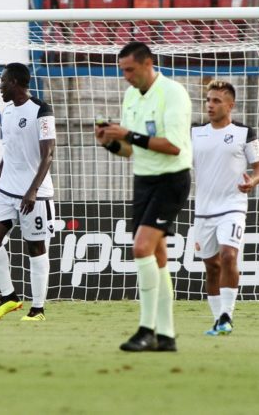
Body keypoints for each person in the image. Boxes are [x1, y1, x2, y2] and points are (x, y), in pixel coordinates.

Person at [95, 42, 192, 352]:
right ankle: (166, 336)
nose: (126, 76)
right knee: (158, 256)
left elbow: (173, 146)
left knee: (140, 248)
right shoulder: (130, 96)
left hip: (171, 180)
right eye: (122, 70)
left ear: (148, 63)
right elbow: (130, 151)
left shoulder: (173, 93)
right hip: (143, 181)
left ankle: (146, 330)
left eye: (130, 70)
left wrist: (127, 134)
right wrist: (110, 142)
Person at [0, 62, 56, 321]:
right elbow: (11, 151)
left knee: (35, 248)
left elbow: (48, 154)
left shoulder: (42, 110)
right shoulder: (8, 111)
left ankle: (38, 309)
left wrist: (32, 190)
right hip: (6, 190)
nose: (0, 86)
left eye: (2, 81)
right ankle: (9, 297)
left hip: (35, 194)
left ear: (14, 82)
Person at [192, 80, 259, 336]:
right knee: (211, 266)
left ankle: (227, 315)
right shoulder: (195, 133)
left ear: (230, 105)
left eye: (217, 101)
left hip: (233, 206)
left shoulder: (244, 133)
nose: (210, 105)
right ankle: (218, 320)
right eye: (208, 100)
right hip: (203, 210)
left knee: (228, 256)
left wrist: (253, 181)